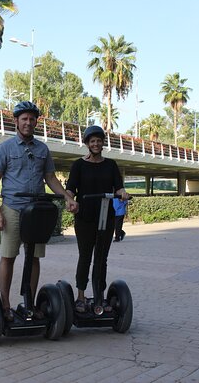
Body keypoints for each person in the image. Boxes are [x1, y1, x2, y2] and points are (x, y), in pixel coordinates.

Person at [0, 101, 78, 322]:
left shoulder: (42, 149)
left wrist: (67, 197)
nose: (28, 122)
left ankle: (30, 303)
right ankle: (6, 305)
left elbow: (50, 178)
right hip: (12, 208)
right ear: (16, 122)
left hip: (36, 211)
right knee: (8, 256)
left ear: (36, 122)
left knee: (35, 257)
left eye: (32, 119)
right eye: (24, 119)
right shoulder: (6, 148)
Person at [65, 125, 130, 313]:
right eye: (92, 141)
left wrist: (123, 193)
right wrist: (69, 201)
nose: (96, 144)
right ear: (86, 143)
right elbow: (71, 188)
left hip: (106, 217)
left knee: (102, 257)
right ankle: (80, 296)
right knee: (85, 256)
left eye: (99, 141)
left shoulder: (111, 165)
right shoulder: (79, 165)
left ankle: (99, 297)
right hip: (85, 217)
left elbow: (118, 187)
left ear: (103, 143)